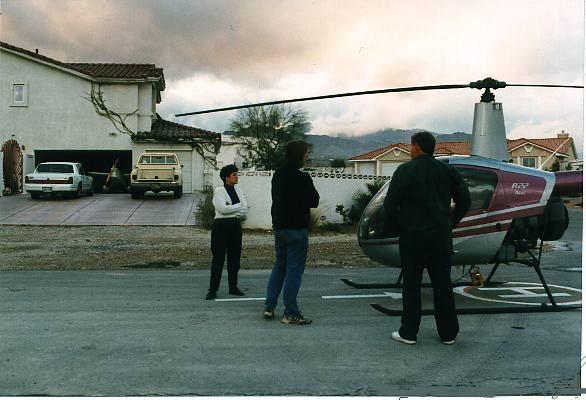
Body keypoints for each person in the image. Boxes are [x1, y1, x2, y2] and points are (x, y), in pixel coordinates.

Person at [383, 131, 471, 345]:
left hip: (412, 238)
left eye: (411, 146)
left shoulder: (404, 170)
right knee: (443, 286)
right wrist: (450, 221)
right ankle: (448, 333)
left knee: (411, 287)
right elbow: (465, 200)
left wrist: (397, 227)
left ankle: (409, 332)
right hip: (440, 238)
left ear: (417, 147)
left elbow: (390, 204)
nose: (410, 150)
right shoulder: (447, 170)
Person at [263, 140, 320, 324]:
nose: (307, 157)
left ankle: (269, 305)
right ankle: (290, 312)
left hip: (280, 228)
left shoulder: (278, 175)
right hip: (297, 229)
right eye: (305, 154)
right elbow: (314, 201)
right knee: (294, 270)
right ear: (299, 156)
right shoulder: (303, 178)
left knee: (280, 265)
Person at [206, 164, 248, 300]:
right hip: (221, 226)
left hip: (235, 226)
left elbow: (244, 210)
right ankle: (213, 290)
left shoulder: (239, 190)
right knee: (218, 259)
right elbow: (222, 209)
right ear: (226, 177)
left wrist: (232, 208)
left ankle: (233, 287)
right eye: (234, 175)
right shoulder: (219, 191)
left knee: (234, 258)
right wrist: (238, 207)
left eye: (237, 174)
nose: (237, 177)